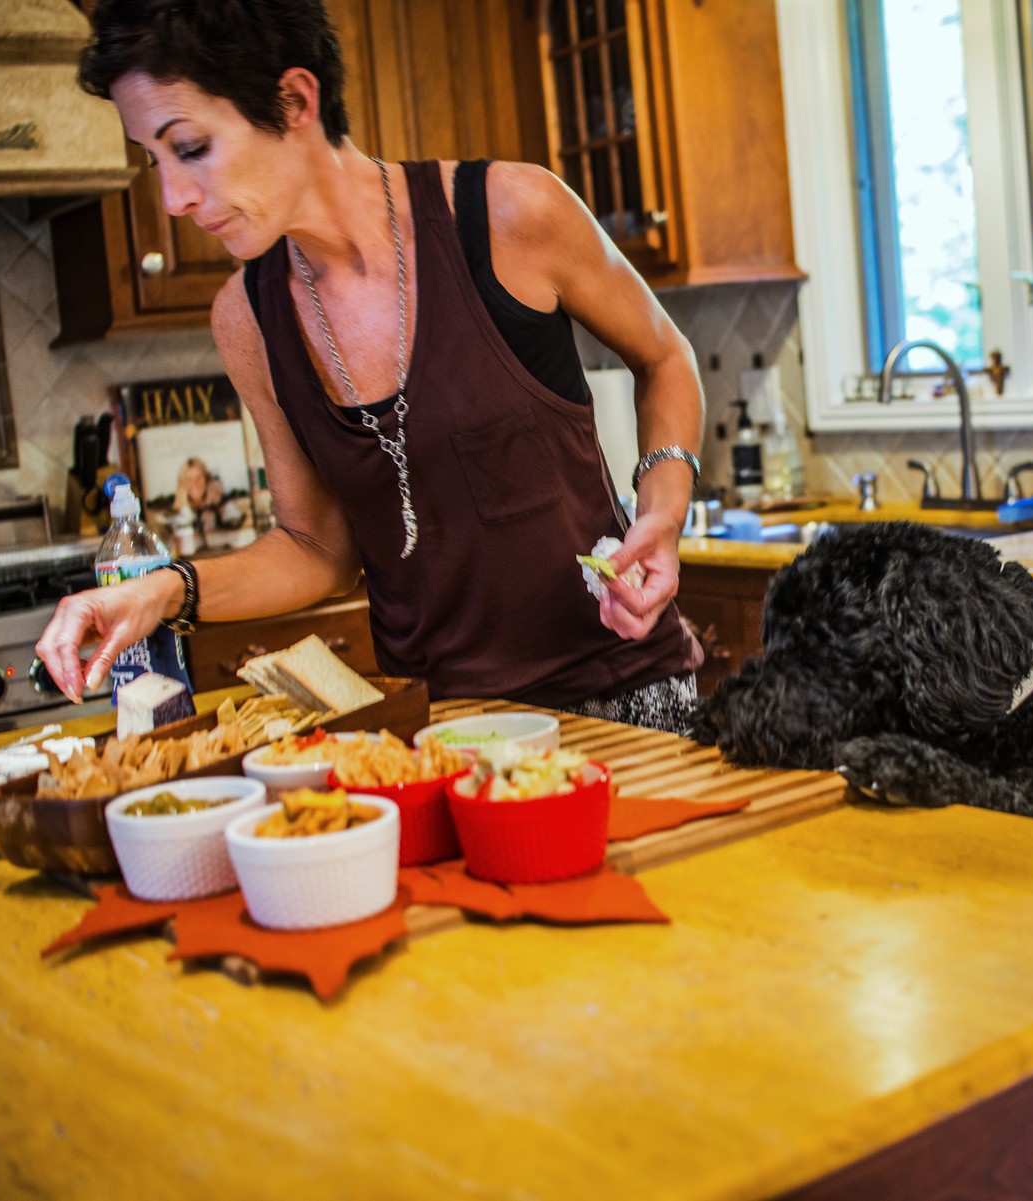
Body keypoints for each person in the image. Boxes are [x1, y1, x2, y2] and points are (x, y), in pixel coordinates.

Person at [36, 0, 704, 733]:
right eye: (152, 159)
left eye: (190, 147)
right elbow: (315, 548)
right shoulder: (248, 316)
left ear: (295, 100)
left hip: (622, 703)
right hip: (439, 731)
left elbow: (665, 357)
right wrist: (161, 590)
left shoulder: (511, 212)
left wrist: (663, 514)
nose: (173, 197)